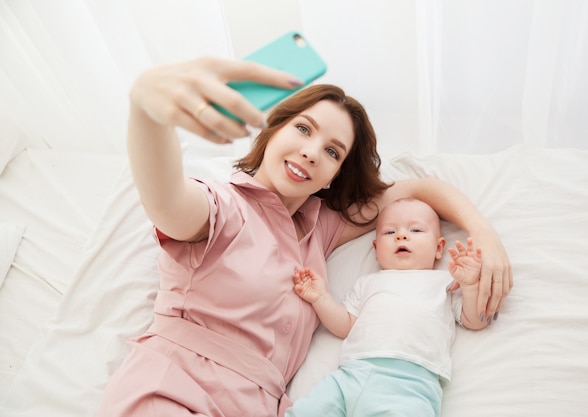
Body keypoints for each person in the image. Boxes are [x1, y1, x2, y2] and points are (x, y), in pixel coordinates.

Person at [97, 57, 512, 417]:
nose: (313, 152)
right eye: (303, 129)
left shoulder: (323, 228)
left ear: (336, 173)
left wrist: (483, 234)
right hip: (174, 391)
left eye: (333, 152)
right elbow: (165, 198)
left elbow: (419, 190)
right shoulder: (220, 206)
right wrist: (148, 113)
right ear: (274, 130)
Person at [287, 198, 487, 417]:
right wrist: (320, 298)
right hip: (351, 376)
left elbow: (474, 320)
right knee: (308, 410)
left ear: (439, 247)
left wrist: (469, 286)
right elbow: (346, 325)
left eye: (416, 229)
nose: (401, 236)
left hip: (410, 385)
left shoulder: (445, 282)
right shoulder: (368, 282)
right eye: (390, 232)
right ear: (376, 249)